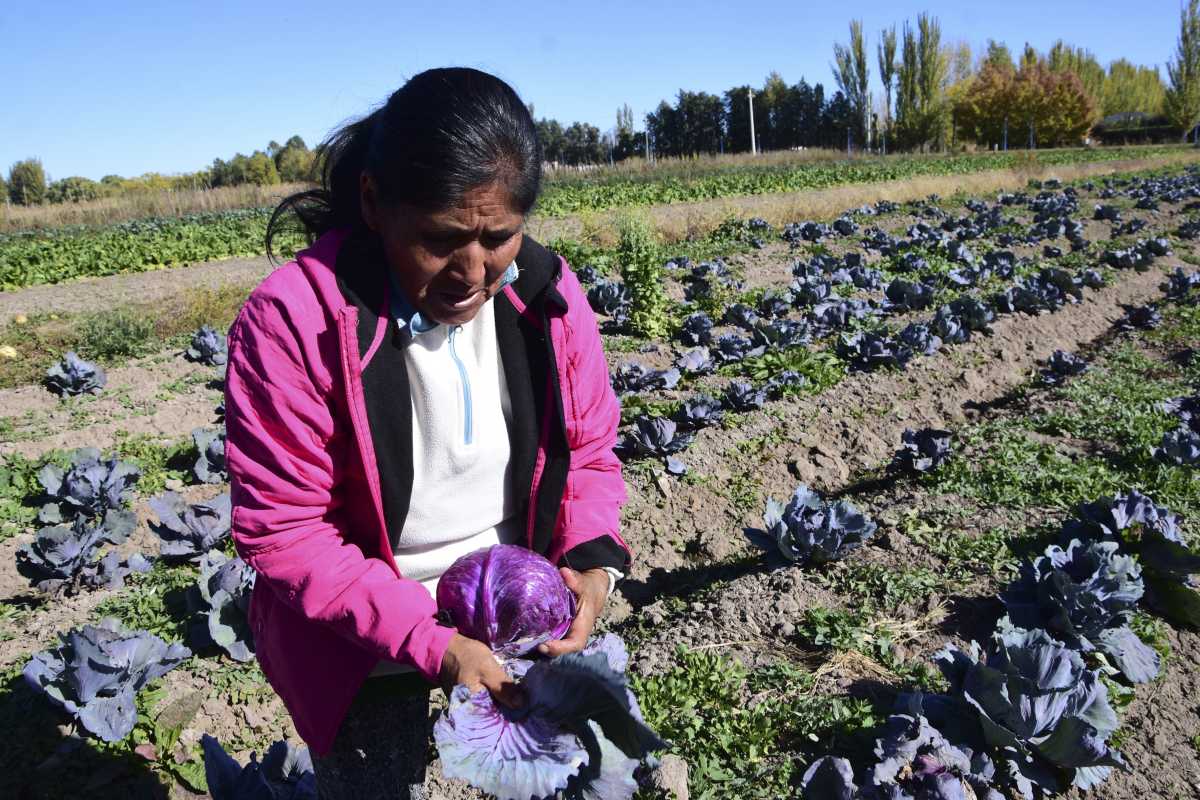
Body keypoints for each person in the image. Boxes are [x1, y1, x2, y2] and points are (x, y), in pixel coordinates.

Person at [224, 67, 630, 799]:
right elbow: (287, 532)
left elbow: (590, 451)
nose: (472, 273)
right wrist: (435, 644)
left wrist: (591, 564)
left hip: (518, 615)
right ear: (374, 203)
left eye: (499, 238)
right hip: (362, 643)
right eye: (441, 240)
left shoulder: (546, 296)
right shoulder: (295, 321)